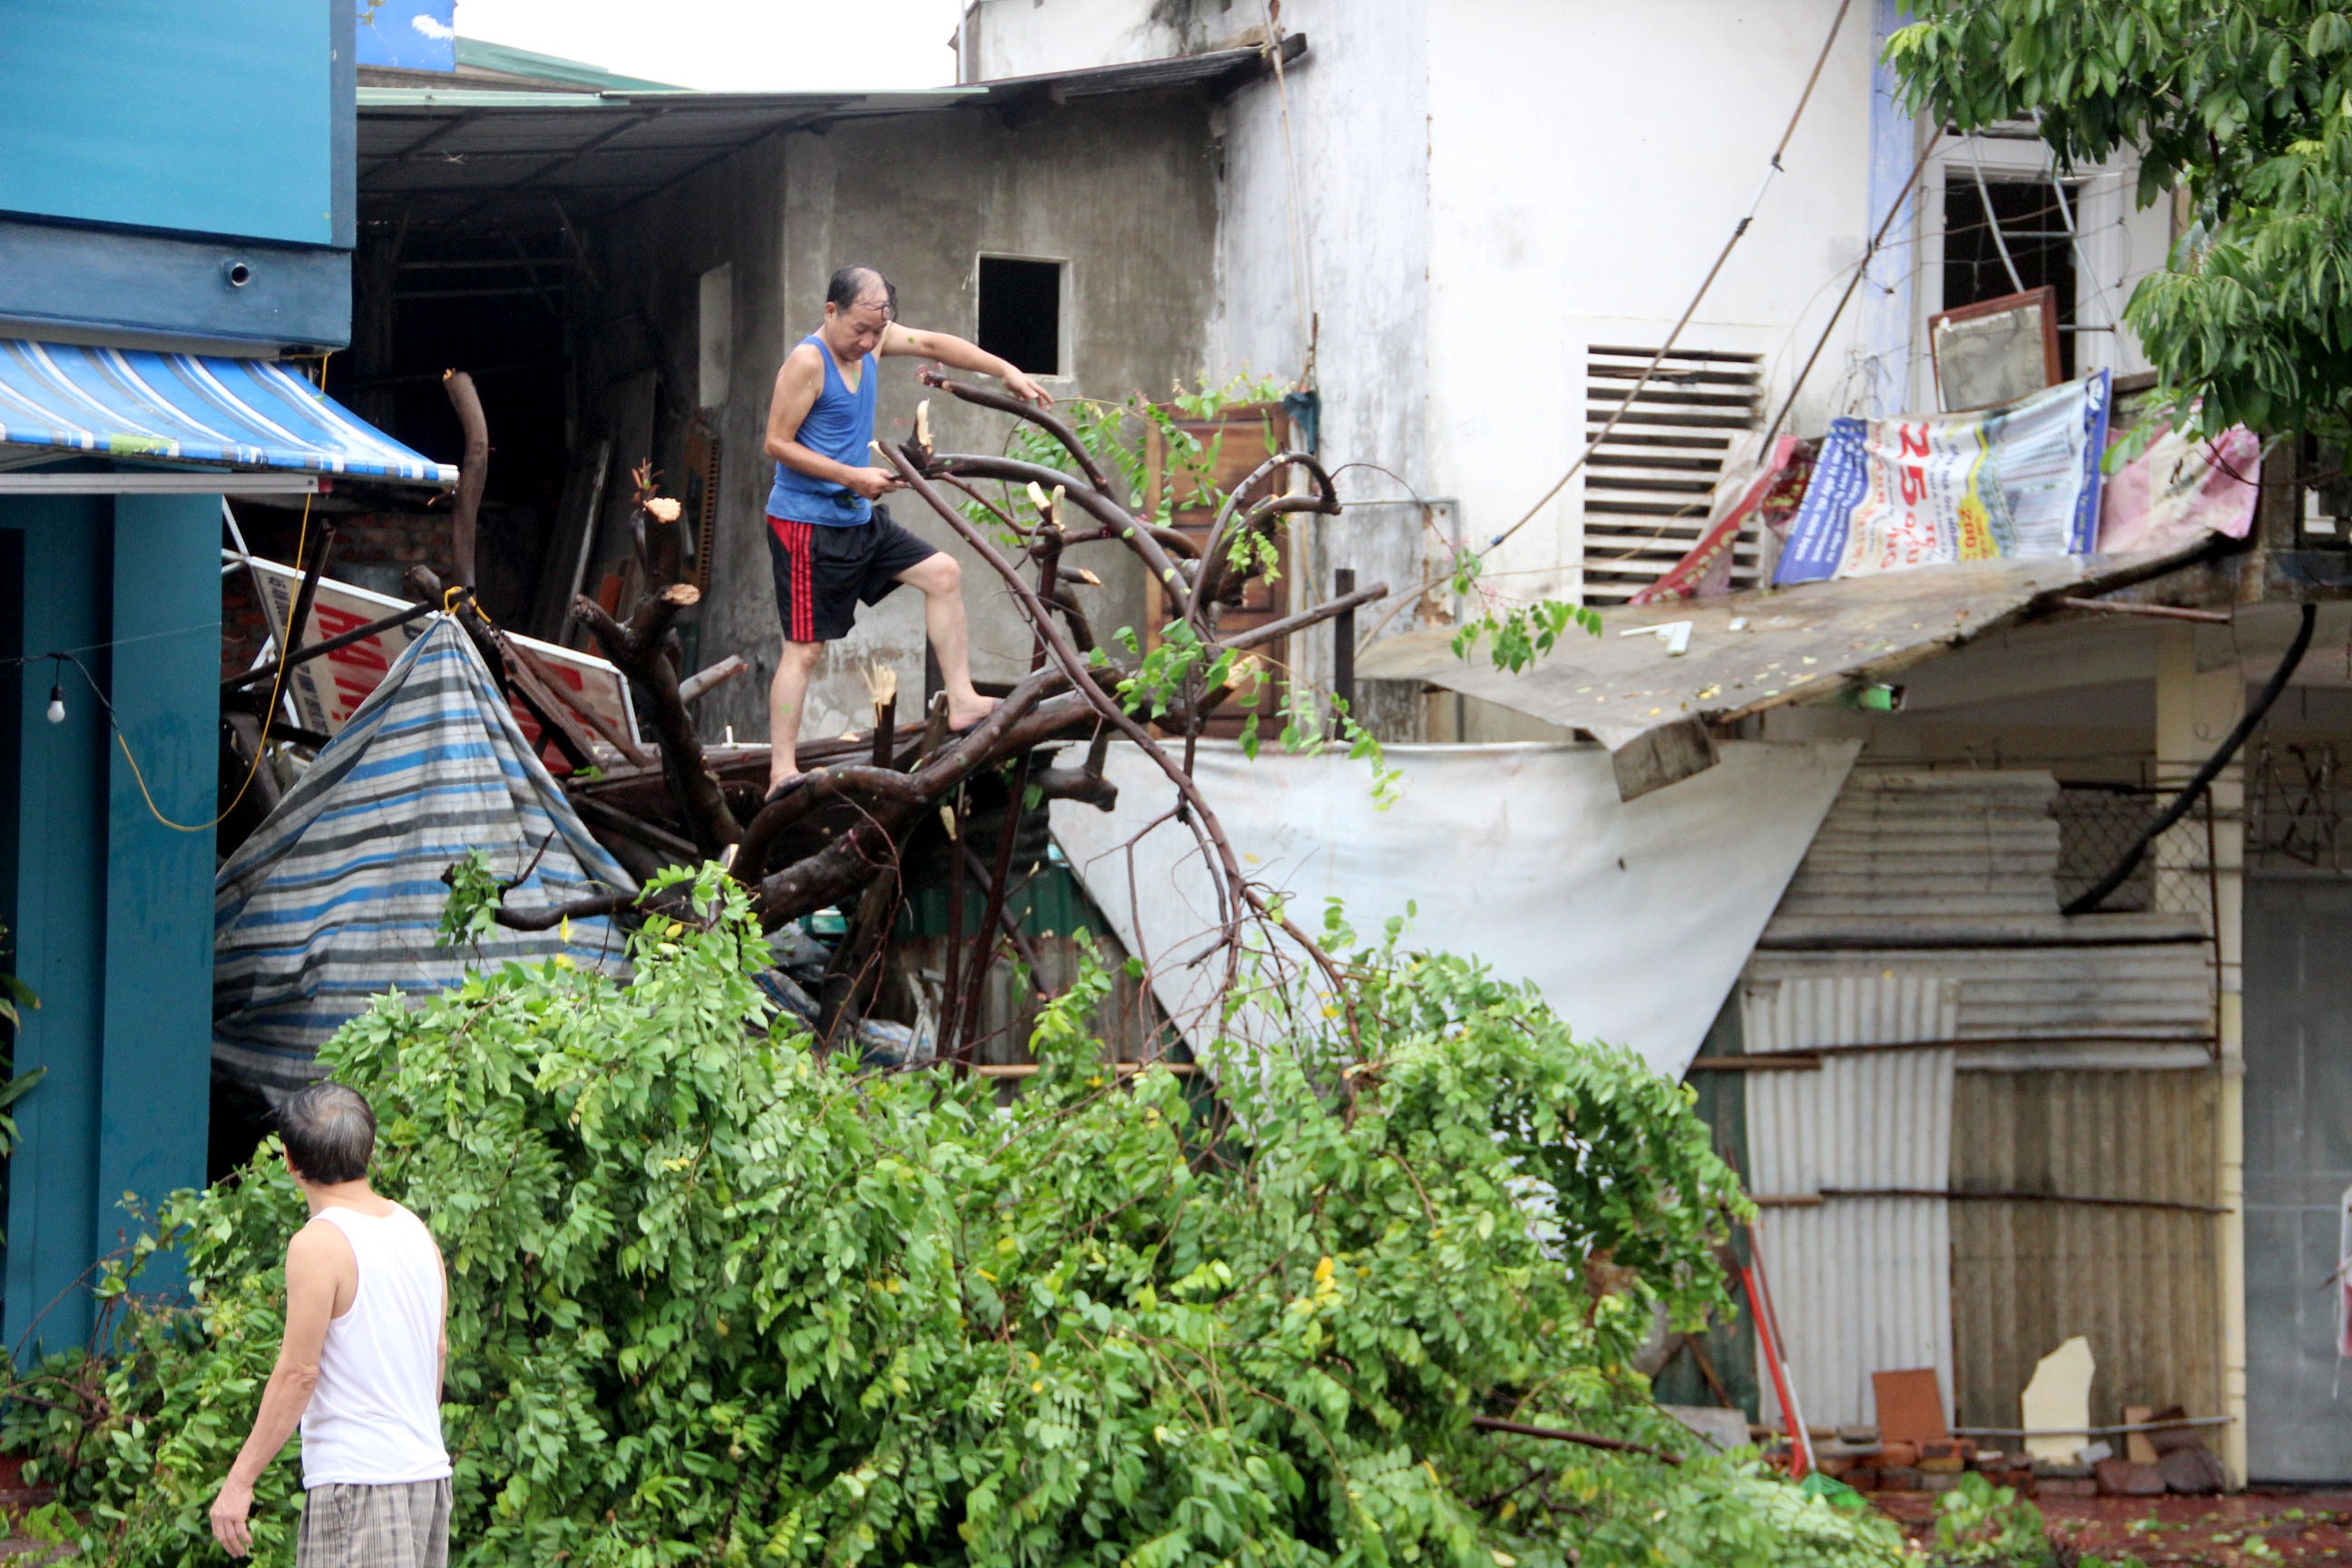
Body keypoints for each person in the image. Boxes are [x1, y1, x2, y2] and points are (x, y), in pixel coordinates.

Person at [761, 263, 1054, 798]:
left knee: (943, 573)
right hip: (807, 526)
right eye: (860, 330)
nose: (871, 342)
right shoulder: (809, 361)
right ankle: (781, 769)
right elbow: (776, 444)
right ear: (831, 311)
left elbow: (937, 343)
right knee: (804, 650)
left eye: (879, 331)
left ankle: (962, 699)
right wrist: (852, 475)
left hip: (857, 517)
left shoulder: (871, 341)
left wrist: (1005, 369)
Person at [210, 1083, 451, 1567]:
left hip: (359, 1487)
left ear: (289, 1160)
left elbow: (299, 1372)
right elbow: (438, 1350)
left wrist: (239, 1481)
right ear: (369, 1147)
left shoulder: (319, 1243)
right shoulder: (413, 1228)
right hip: (427, 1478)